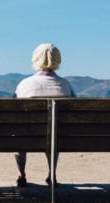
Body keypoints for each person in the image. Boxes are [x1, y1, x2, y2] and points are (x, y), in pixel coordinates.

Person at [14, 43, 76, 187]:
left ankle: (21, 174)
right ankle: (51, 174)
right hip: (58, 137)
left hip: (27, 137)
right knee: (54, 134)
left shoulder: (24, 84)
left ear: (35, 59)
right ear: (58, 60)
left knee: (18, 134)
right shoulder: (66, 85)